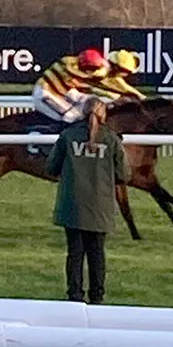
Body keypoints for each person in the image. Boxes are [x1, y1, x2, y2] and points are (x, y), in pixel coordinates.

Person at [46, 98, 127, 304]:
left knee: (75, 252)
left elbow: (51, 167)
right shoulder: (111, 139)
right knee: (97, 253)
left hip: (72, 204)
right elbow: (124, 174)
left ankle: (74, 295)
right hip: (100, 205)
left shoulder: (68, 135)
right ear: (103, 114)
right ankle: (97, 297)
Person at [31, 48, 109, 125]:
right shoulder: (71, 76)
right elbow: (73, 95)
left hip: (51, 92)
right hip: (45, 96)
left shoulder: (71, 64)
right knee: (72, 117)